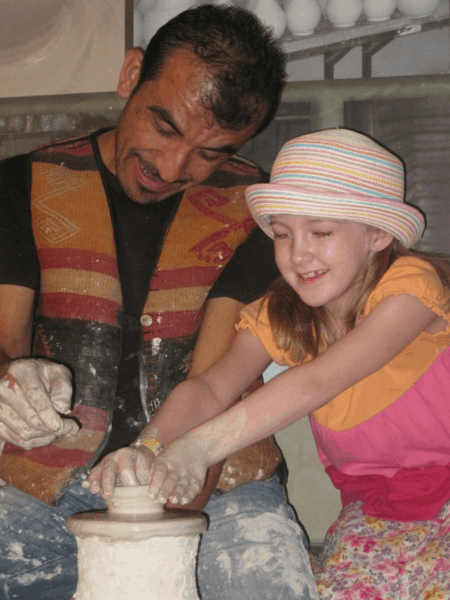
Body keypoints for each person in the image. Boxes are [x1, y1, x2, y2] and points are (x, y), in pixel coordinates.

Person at [0, 5, 319, 600]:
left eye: (213, 153)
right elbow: (3, 344)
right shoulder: (21, 185)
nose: (174, 168)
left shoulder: (259, 213)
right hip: (36, 488)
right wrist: (11, 381)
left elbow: (211, 385)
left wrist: (165, 512)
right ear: (130, 76)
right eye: (166, 127)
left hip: (220, 483)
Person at [134, 127, 450, 598]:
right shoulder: (281, 315)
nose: (297, 254)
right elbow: (209, 390)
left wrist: (200, 448)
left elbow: (317, 381)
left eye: (320, 231)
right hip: (379, 512)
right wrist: (148, 453)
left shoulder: (411, 290)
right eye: (282, 234)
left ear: (379, 233)